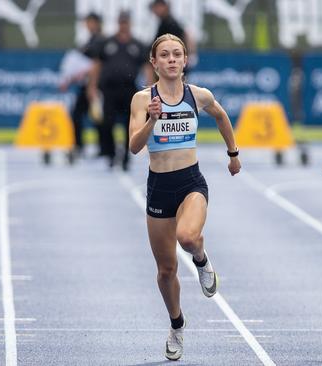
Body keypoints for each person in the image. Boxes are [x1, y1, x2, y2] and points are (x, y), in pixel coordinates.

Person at [129, 33, 241, 360]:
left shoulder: (198, 95)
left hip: (191, 181)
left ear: (185, 60)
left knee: (189, 237)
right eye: (164, 55)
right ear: (154, 62)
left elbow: (221, 116)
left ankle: (202, 260)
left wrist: (233, 153)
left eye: (177, 54)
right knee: (166, 270)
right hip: (159, 187)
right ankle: (177, 323)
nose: (172, 60)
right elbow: (134, 147)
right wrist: (151, 119)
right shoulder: (142, 99)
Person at [88, 11, 150, 171]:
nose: (123, 25)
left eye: (126, 22)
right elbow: (97, 65)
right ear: (118, 24)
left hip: (129, 90)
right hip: (109, 90)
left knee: (131, 125)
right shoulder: (107, 43)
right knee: (107, 123)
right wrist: (92, 86)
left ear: (130, 24)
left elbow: (147, 67)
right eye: (121, 22)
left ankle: (126, 158)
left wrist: (150, 88)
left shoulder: (137, 45)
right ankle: (111, 153)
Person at [60, 12, 105, 158]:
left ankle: (100, 147)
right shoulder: (90, 40)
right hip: (87, 84)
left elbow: (97, 64)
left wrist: (91, 83)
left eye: (90, 22)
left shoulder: (100, 40)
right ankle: (81, 146)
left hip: (95, 85)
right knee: (83, 115)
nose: (87, 25)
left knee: (96, 116)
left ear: (97, 23)